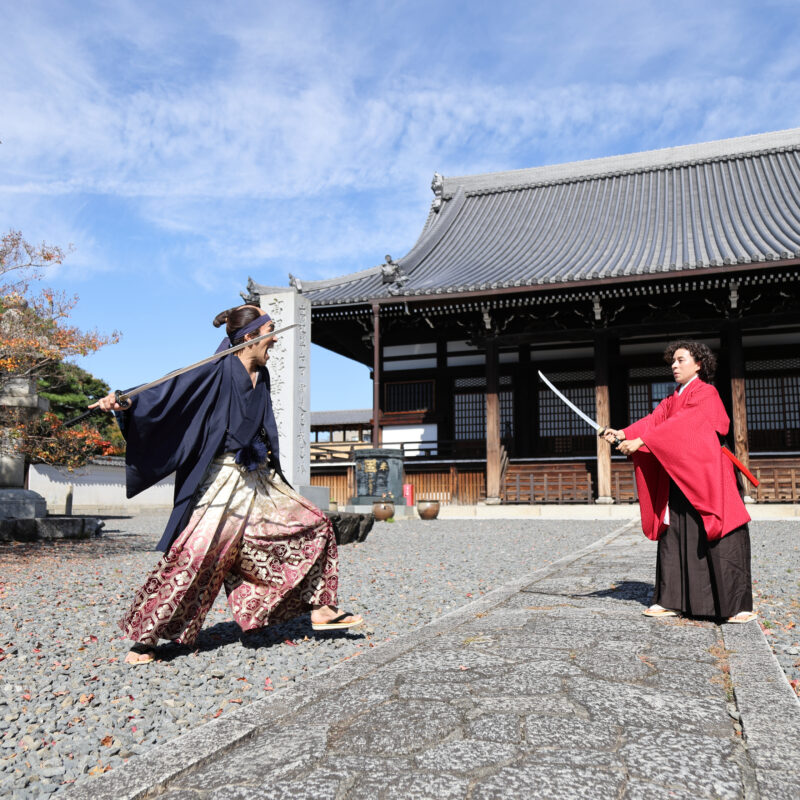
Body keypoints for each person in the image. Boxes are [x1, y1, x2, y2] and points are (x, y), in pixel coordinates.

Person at [91, 304, 362, 665]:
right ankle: (145, 638)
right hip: (221, 481)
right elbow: (168, 391)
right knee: (195, 558)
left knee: (315, 525)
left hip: (258, 477)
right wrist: (123, 402)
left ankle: (321, 609)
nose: (275, 340)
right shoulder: (214, 370)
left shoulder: (260, 376)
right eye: (270, 332)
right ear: (250, 338)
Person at [603, 341, 755, 624]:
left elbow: (685, 424)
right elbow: (655, 421)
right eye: (672, 361)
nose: (674, 365)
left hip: (709, 475)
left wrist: (643, 442)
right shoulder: (672, 399)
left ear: (699, 364)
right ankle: (672, 599)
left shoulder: (706, 393)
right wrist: (623, 433)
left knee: (718, 529)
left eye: (680, 360)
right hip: (680, 476)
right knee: (674, 533)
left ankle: (735, 605)